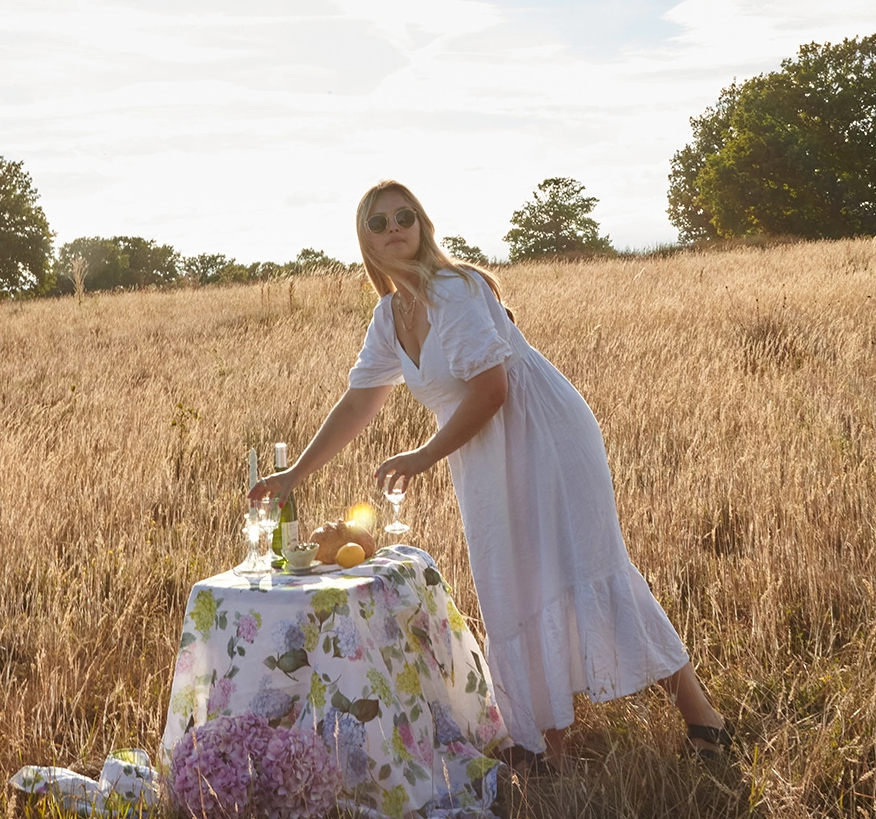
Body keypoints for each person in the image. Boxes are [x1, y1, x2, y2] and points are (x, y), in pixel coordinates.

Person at [250, 179, 731, 765]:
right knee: (511, 581)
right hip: (482, 450)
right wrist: (295, 473)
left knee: (592, 567)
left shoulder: (454, 289)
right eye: (379, 223)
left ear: (423, 225)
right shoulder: (390, 312)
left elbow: (492, 390)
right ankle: (545, 741)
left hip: (544, 433)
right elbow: (360, 401)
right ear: (365, 241)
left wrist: (423, 456)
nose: (395, 227)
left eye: (406, 216)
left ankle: (702, 717)